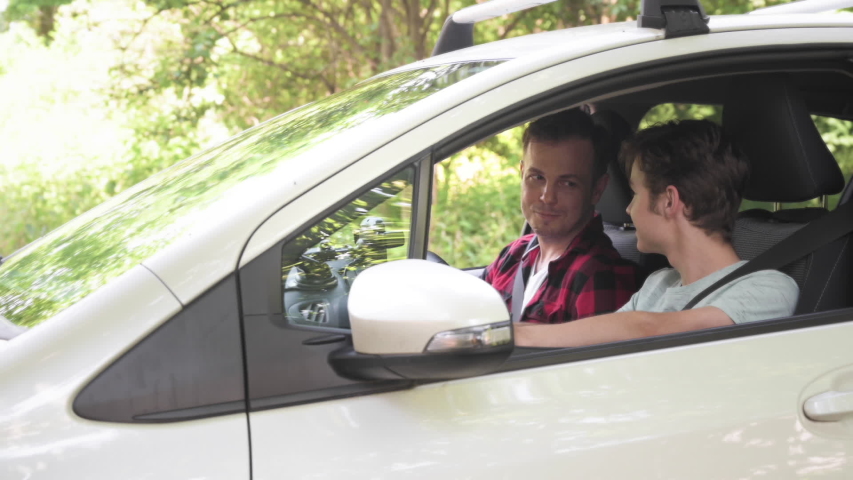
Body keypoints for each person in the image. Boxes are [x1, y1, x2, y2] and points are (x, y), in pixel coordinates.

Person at [514, 119, 799, 347]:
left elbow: (647, 328)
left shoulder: (767, 287)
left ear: (668, 201)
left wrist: (515, 335)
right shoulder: (657, 285)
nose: (628, 209)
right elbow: (597, 345)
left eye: (635, 193)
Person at [482, 109, 643, 323]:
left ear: (597, 189)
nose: (547, 197)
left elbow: (598, 357)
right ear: (522, 173)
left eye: (568, 183)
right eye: (537, 177)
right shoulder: (513, 255)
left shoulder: (599, 275)